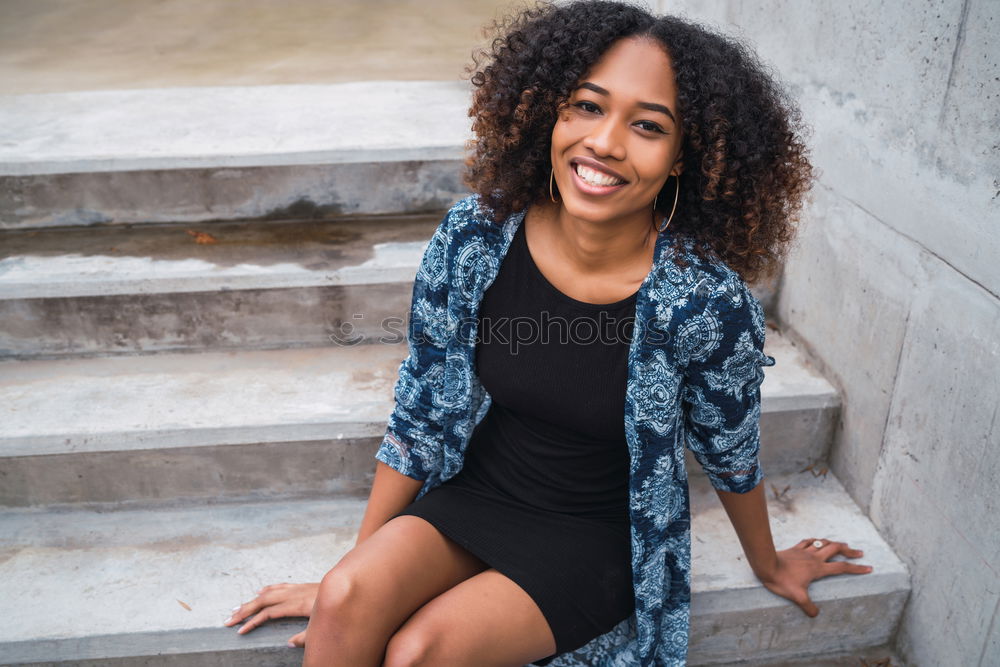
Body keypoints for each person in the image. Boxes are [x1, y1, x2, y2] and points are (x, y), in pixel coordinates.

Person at [225, 2, 873, 664]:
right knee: (345, 597)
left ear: (683, 157)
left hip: (596, 532)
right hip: (481, 489)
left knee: (420, 651)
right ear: (551, 113)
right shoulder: (475, 238)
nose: (605, 143)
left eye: (647, 125)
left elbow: (729, 448)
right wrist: (358, 579)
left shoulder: (703, 301)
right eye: (588, 107)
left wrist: (767, 562)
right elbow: (420, 414)